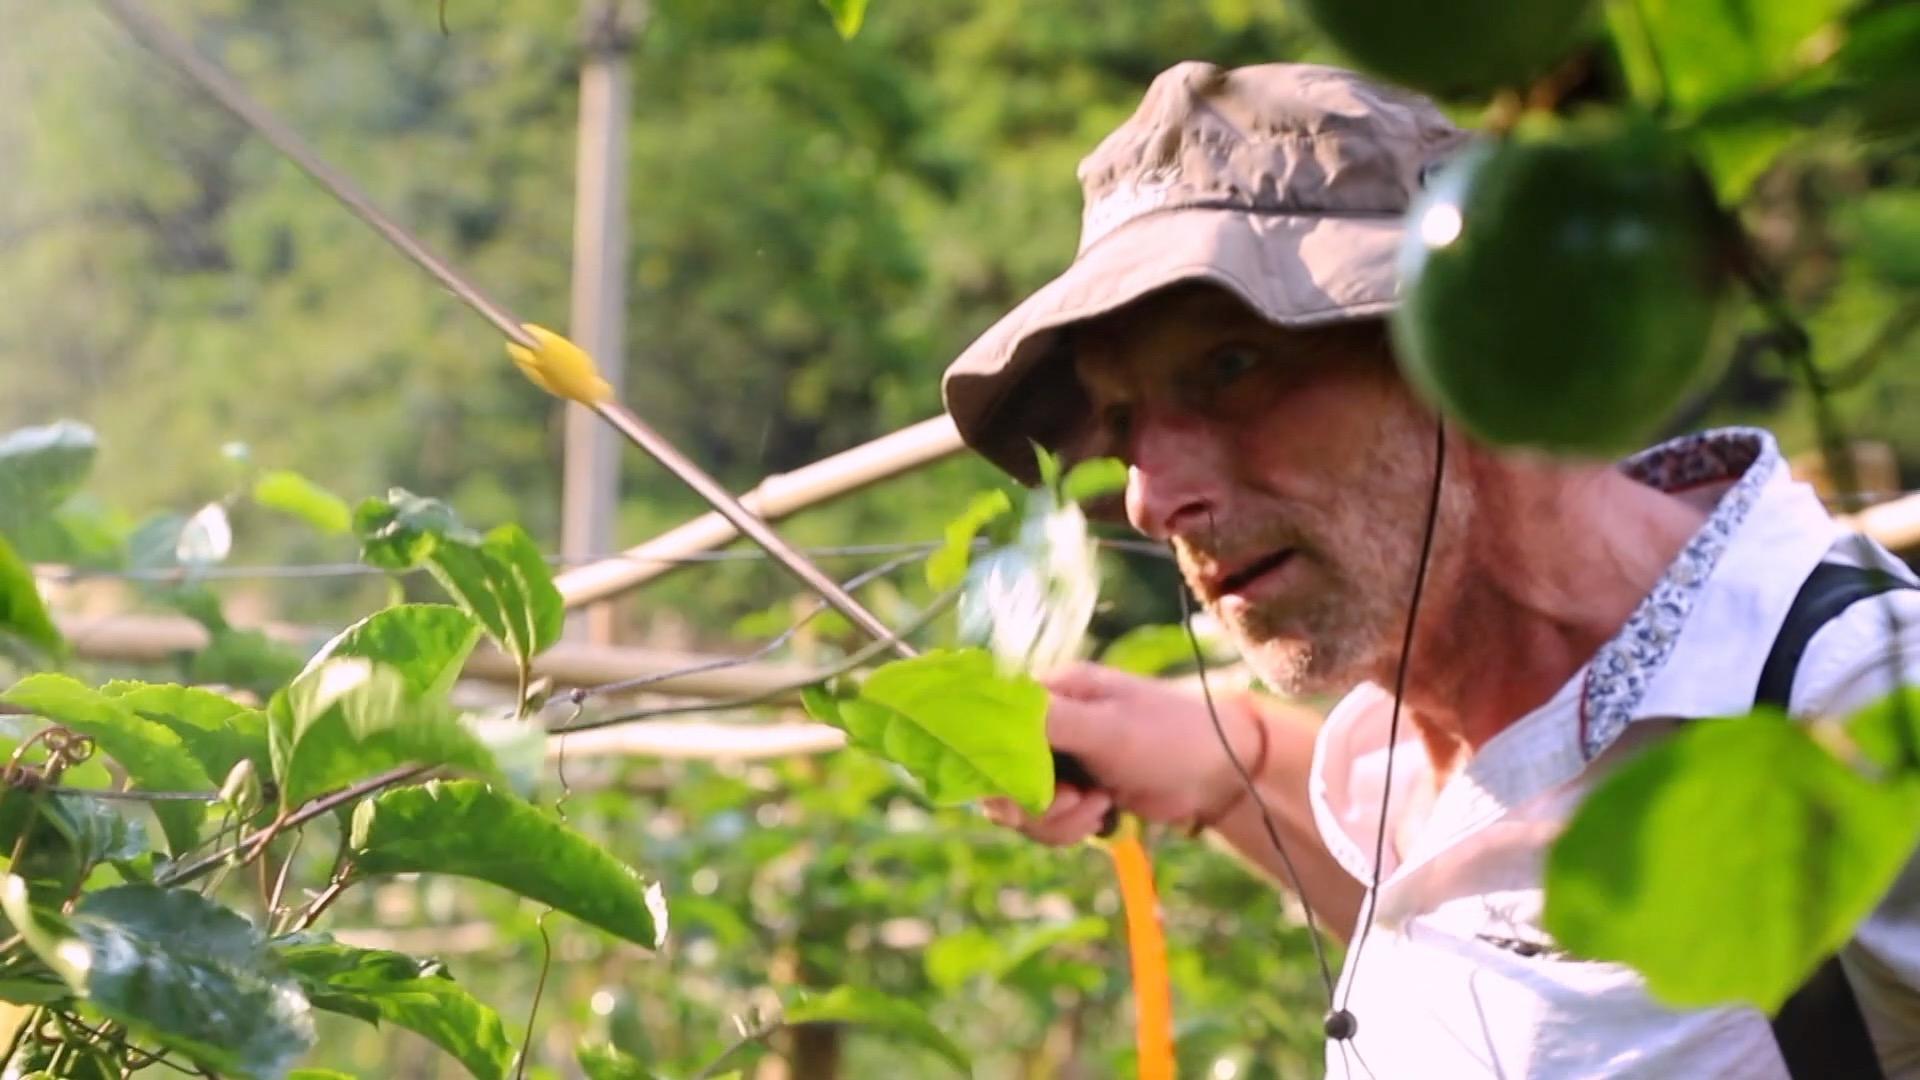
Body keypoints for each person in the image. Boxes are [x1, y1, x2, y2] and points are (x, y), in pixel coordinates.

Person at [942, 60, 1920, 1079]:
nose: (1150, 498)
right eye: (1122, 421)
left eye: (1232, 367)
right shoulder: (1416, 754)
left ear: (1468, 345)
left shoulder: (1857, 712)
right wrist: (1235, 761)